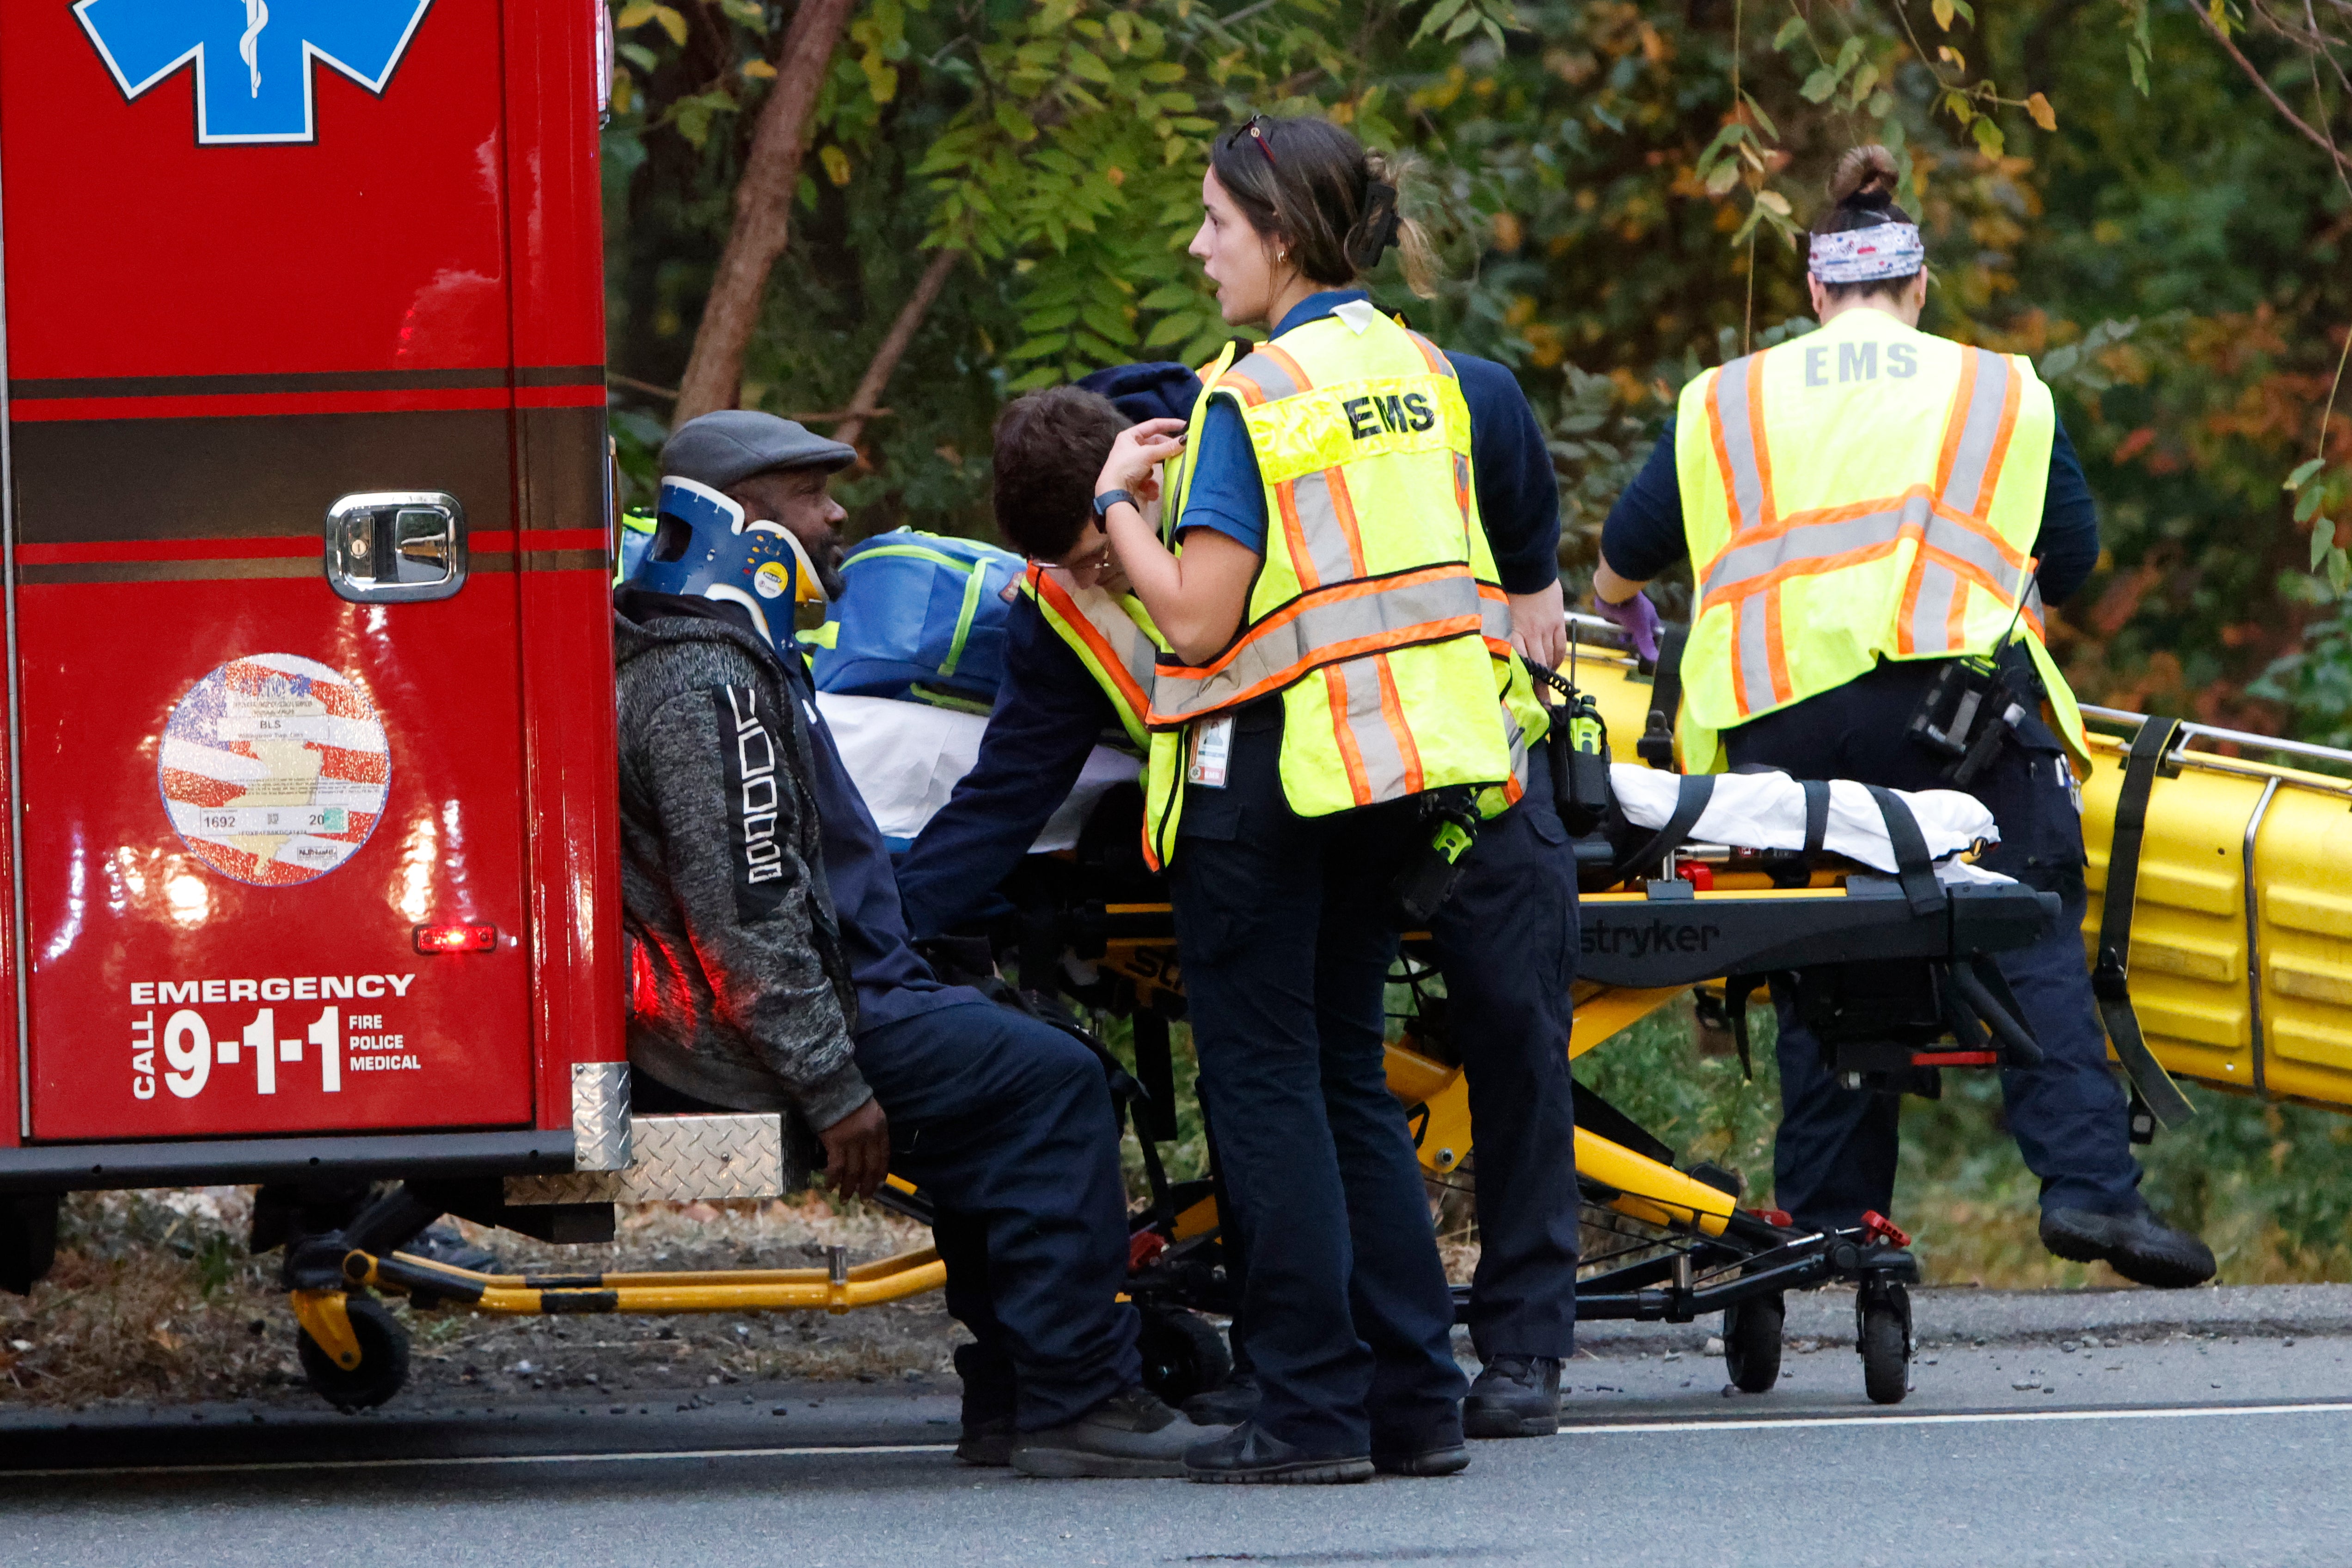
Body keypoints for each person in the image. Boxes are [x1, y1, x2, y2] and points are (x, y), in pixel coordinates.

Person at [897, 370, 1582, 1442]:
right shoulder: (1064, 610)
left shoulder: (1243, 425)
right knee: (1304, 1090)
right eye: (1083, 567)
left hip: (1473, 767)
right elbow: (1001, 799)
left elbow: (1489, 398)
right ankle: (1369, 1386)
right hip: (1306, 815)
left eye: (1105, 547)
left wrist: (1536, 576)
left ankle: (1517, 1343)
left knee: (1509, 1028)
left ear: (1148, 467)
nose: (1109, 582)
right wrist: (872, 932)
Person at [1590, 145, 2214, 1289]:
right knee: (2022, 915)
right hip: (1957, 718)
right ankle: (2087, 1191)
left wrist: (1622, 615)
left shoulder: (1728, 400)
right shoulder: (1996, 389)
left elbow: (1622, 562)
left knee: (1820, 943)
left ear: (1815, 293)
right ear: (1919, 289)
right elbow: (2066, 560)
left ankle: (1830, 1219)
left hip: (1778, 727)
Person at [1076, 114, 1562, 1484]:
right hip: (1396, 775)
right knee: (1346, 1075)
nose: (1197, 245)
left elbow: (1192, 620)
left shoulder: (1255, 399)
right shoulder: (1420, 372)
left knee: (1270, 1090)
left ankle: (1307, 1414)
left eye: (1215, 223)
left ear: (1280, 234)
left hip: (1268, 786)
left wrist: (1118, 505)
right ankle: (1414, 1402)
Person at [614, 411, 1224, 1477]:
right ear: (744, 519)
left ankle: (1013, 1394)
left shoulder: (705, 650)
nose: (840, 512)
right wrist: (833, 1084)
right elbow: (747, 915)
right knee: (1055, 1083)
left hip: (796, 1000)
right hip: (761, 1029)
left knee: (1007, 1056)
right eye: (811, 494)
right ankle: (1078, 1397)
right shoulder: (703, 680)